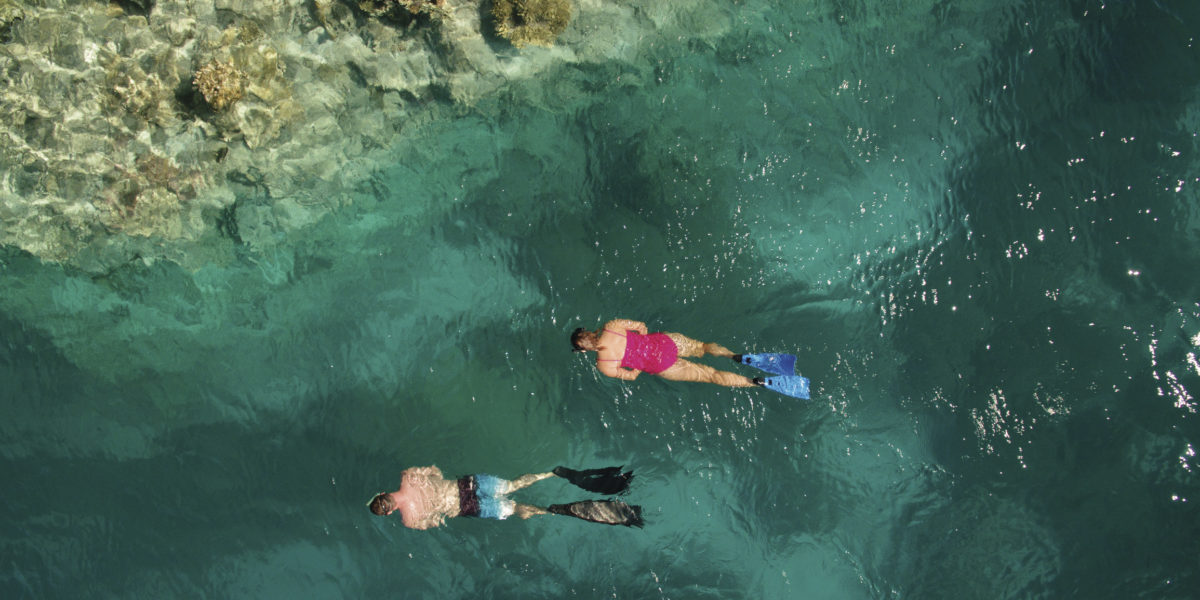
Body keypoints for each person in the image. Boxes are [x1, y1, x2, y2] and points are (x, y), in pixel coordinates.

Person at [369, 465, 642, 529]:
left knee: (514, 508)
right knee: (511, 485)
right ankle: (553, 474)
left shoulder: (409, 519)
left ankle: (552, 511)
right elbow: (435, 471)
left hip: (466, 506)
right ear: (383, 492)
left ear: (389, 511)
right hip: (465, 485)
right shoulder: (408, 476)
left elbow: (436, 520)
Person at [571, 318, 759, 387]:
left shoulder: (603, 365)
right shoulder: (611, 326)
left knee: (711, 375)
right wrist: (645, 340)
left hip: (661, 365)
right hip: (664, 342)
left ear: (582, 350)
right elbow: (641, 326)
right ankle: (733, 355)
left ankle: (754, 382)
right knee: (702, 347)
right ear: (588, 332)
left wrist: (640, 364)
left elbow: (632, 376)